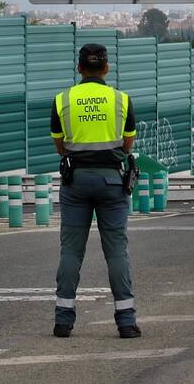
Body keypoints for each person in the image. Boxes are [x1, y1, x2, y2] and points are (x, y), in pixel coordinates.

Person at [50, 43, 139, 338]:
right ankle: (126, 322)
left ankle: (63, 320)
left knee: (71, 250)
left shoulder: (63, 99)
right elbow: (127, 145)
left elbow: (59, 145)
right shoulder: (121, 100)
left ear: (78, 69)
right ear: (106, 68)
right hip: (112, 182)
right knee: (116, 251)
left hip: (75, 181)